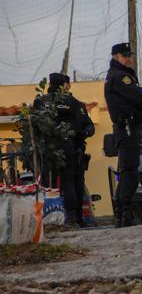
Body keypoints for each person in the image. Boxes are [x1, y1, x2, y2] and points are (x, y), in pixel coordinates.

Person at [104, 43, 142, 227]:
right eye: (124, 56)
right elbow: (140, 99)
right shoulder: (120, 77)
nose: (128, 59)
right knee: (130, 171)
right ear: (115, 57)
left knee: (126, 171)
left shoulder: (116, 75)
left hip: (126, 127)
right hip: (128, 127)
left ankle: (123, 213)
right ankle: (126, 214)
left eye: (129, 55)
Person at [33, 73, 84, 228]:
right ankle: (71, 218)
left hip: (47, 147)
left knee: (46, 183)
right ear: (63, 85)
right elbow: (80, 125)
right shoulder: (72, 102)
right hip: (67, 147)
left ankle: (46, 218)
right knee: (68, 182)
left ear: (49, 83)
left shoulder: (40, 101)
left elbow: (34, 124)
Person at [64, 75, 95, 227]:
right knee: (72, 183)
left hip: (75, 150)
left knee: (76, 183)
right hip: (59, 153)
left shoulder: (77, 105)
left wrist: (85, 133)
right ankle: (73, 218)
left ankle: (76, 218)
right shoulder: (46, 104)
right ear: (66, 85)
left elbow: (90, 127)